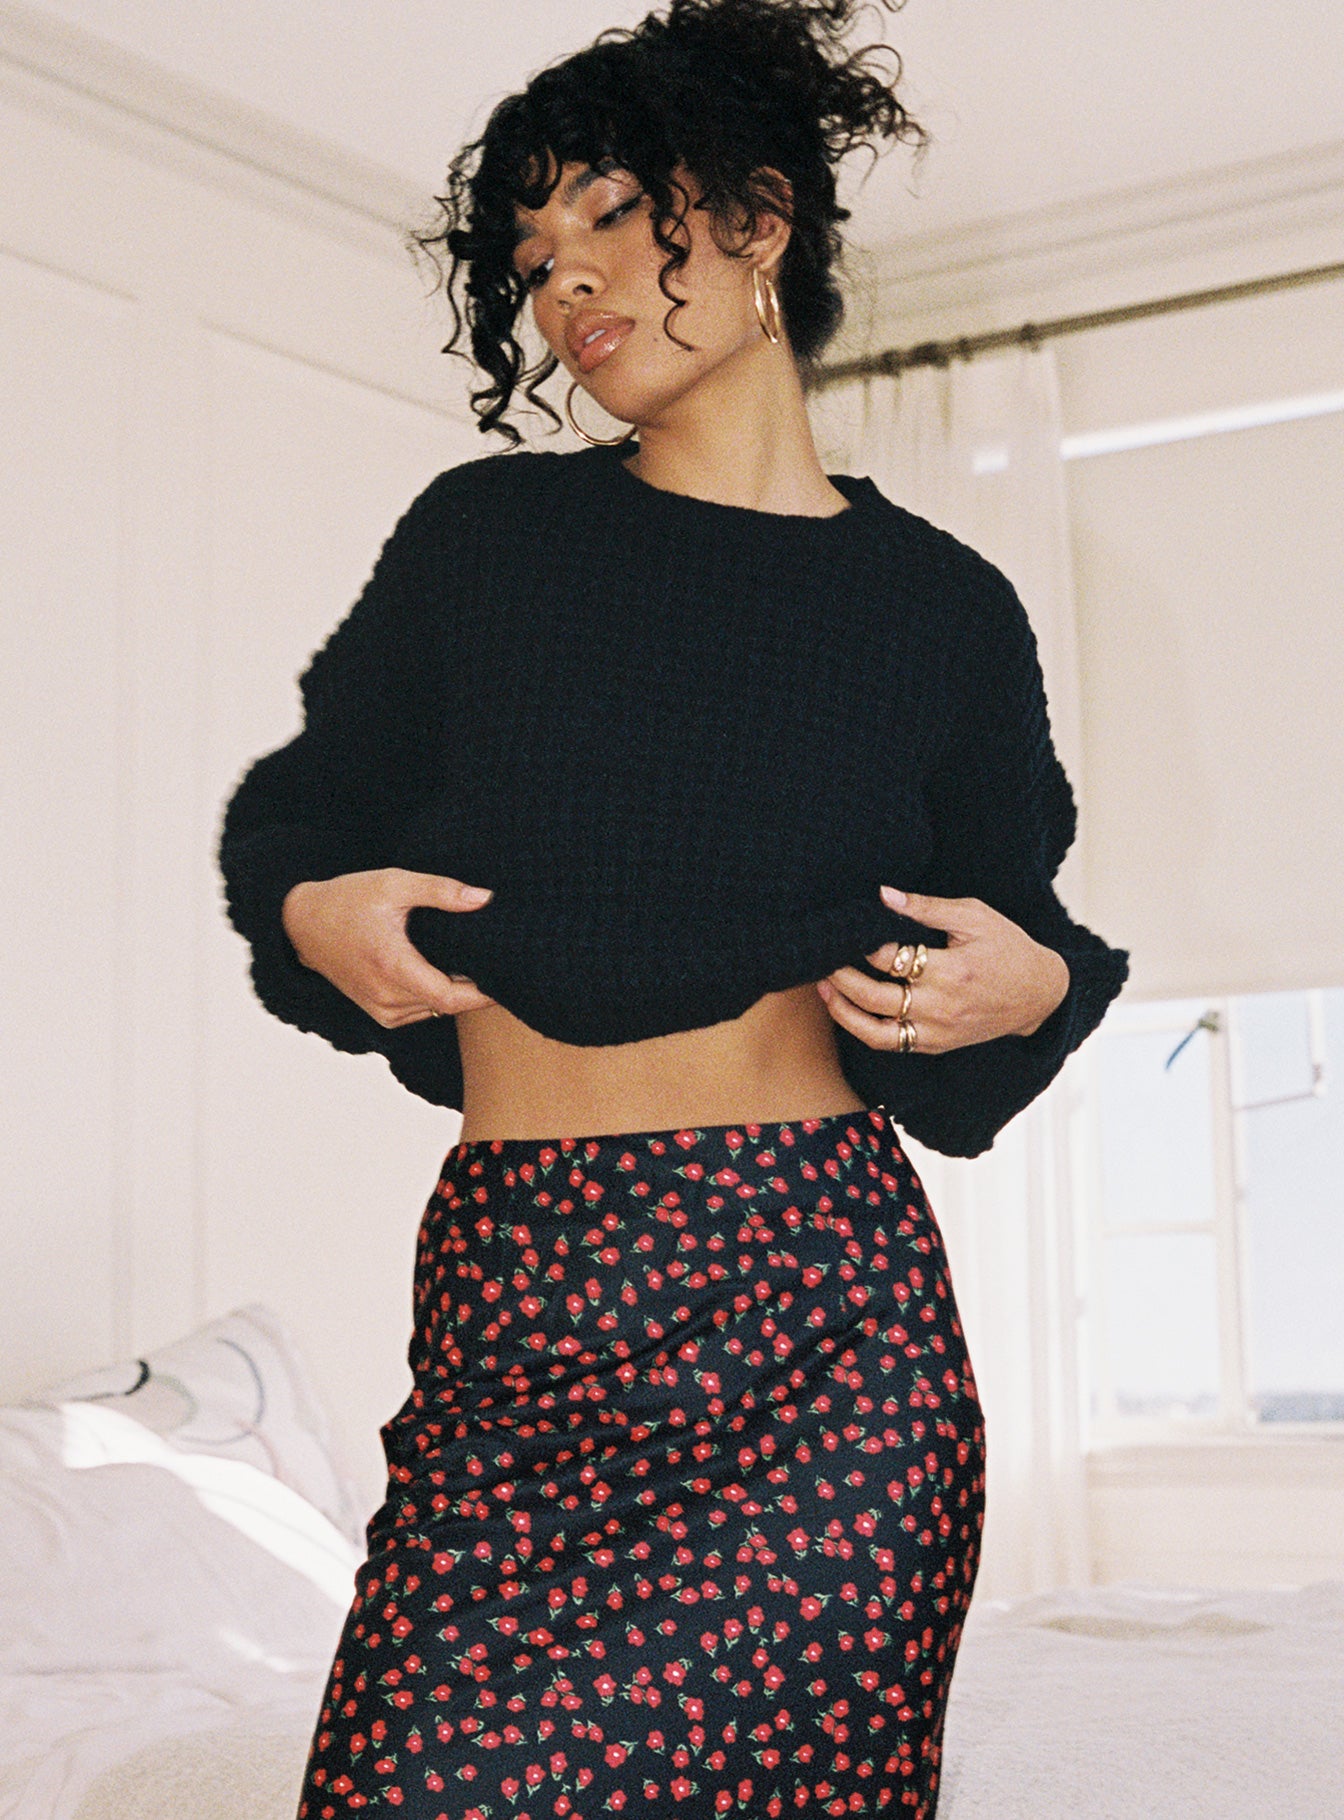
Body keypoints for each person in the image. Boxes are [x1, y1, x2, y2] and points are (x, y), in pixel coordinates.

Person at [216, 2, 1129, 1814]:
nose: (563, 281)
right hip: (519, 1298)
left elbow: (1019, 927)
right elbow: (298, 819)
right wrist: (314, 910)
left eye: (608, 215)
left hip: (822, 1325)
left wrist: (1035, 987)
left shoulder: (945, 609)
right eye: (529, 257)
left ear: (759, 219)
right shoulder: (487, 543)